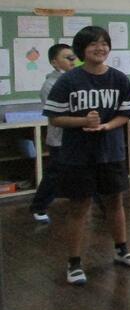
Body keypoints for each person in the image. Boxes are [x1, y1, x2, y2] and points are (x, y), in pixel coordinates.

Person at [42, 26, 130, 285]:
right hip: (78, 156)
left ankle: (121, 250)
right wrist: (83, 121)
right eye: (94, 44)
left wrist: (106, 126)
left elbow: (125, 113)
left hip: (111, 153)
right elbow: (55, 118)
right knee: (79, 207)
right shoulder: (69, 80)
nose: (100, 48)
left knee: (115, 202)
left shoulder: (119, 78)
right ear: (81, 49)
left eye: (104, 43)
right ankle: (74, 263)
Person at [29, 44, 77, 223]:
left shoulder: (75, 78)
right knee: (54, 174)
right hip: (60, 138)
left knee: (88, 170)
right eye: (67, 57)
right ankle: (38, 207)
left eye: (73, 57)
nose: (72, 60)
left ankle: (102, 206)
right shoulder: (49, 85)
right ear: (54, 62)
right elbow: (58, 114)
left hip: (78, 136)